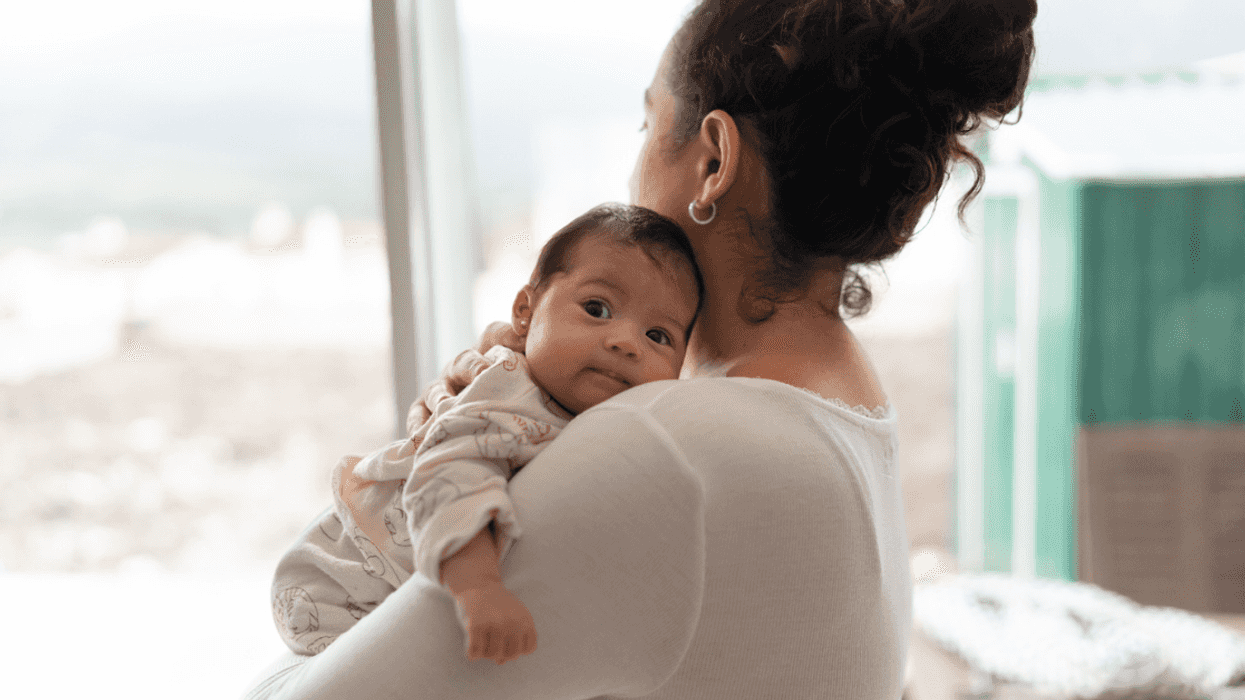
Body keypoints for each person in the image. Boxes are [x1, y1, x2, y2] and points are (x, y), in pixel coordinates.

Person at [243, 0, 1036, 697]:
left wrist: (412, 491)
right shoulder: (843, 400)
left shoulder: (664, 456)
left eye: (647, 124)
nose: (631, 171)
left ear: (713, 160)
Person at [270, 204, 704, 663]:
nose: (626, 342)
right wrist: (478, 588)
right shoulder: (510, 388)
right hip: (341, 576)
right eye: (597, 309)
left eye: (658, 336)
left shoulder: (604, 420)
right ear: (526, 312)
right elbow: (450, 471)